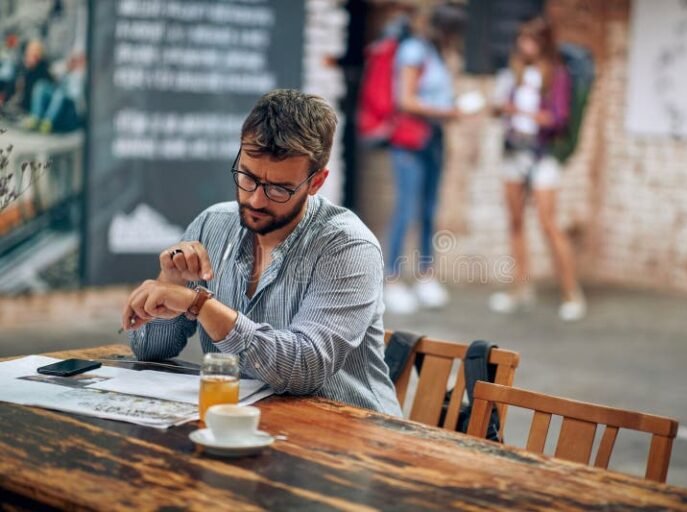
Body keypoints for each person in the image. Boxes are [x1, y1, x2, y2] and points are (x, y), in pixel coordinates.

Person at [122, 89, 402, 416]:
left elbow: (303, 368)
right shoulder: (212, 224)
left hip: (354, 439)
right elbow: (148, 352)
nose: (255, 200)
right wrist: (169, 284)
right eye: (248, 178)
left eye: (279, 189)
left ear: (317, 182)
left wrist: (199, 304)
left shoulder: (348, 247)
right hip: (252, 426)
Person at [489, 17, 586, 321]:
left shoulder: (556, 75)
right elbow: (501, 109)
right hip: (514, 151)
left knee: (548, 223)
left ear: (542, 43)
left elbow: (557, 119)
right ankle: (520, 288)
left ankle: (572, 292)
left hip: (542, 154)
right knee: (515, 222)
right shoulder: (514, 73)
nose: (523, 46)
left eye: (530, 40)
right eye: (521, 40)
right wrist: (501, 108)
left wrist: (522, 111)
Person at [383, 3, 466, 314]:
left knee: (430, 210)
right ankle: (390, 279)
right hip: (409, 142)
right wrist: (448, 112)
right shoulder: (414, 51)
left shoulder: (438, 55)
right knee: (406, 210)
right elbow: (405, 100)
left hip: (433, 140)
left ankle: (425, 276)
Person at [24, 52, 85, 133]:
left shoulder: (82, 74)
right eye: (73, 59)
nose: (74, 61)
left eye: (77, 60)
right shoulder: (66, 68)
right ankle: (35, 118)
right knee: (41, 85)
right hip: (57, 94)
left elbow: (76, 95)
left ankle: (47, 122)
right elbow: (54, 72)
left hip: (69, 101)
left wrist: (76, 72)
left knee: (60, 93)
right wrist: (66, 69)